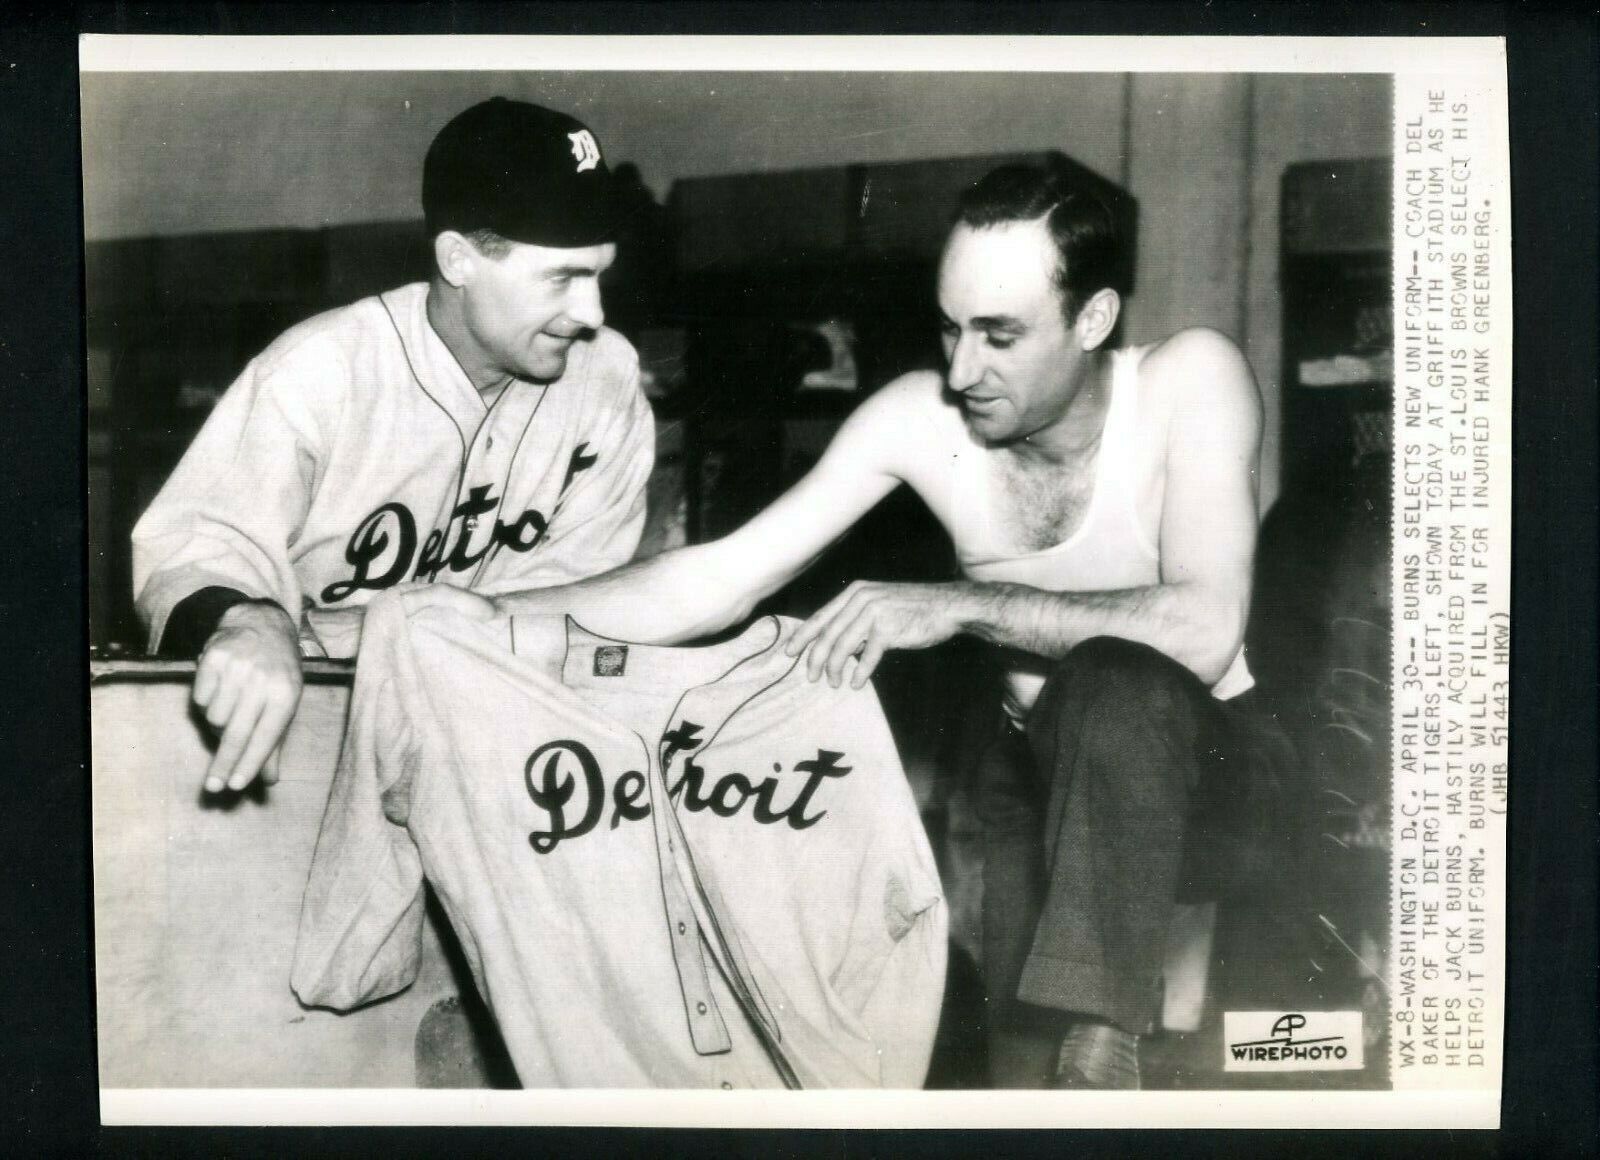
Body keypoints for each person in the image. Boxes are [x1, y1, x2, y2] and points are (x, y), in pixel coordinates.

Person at [413, 160, 1264, 1089]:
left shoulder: (1192, 380)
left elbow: (1203, 628)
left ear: (1092, 320)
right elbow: (717, 577)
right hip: (1040, 778)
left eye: (1001, 335)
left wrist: (952, 605)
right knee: (1025, 1087)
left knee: (1115, 681)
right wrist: (480, 615)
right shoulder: (919, 419)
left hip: (1216, 770)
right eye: (949, 328)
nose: (962, 369)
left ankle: (1106, 1042)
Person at [131, 97, 655, 797]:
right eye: (561, 278)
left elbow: (584, 600)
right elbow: (194, 542)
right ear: (458, 259)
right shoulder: (320, 370)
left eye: (599, 274)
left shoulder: (606, 378)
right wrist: (248, 617)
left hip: (501, 734)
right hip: (307, 728)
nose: (592, 314)